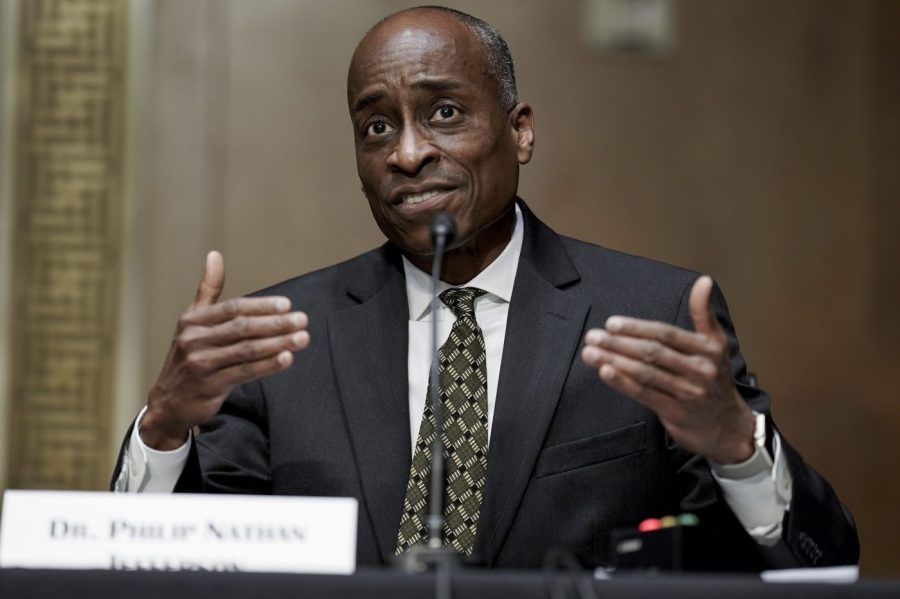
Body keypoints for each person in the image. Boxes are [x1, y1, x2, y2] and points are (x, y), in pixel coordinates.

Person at [112, 6, 858, 570]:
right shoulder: (282, 343)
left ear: (520, 131)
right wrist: (164, 431)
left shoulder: (652, 314)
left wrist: (738, 451)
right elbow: (173, 569)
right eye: (375, 127)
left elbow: (818, 565)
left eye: (443, 113)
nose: (407, 153)